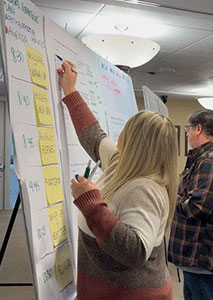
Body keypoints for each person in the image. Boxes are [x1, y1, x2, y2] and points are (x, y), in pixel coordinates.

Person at [58, 61, 178, 299]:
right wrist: (70, 90)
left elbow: (135, 251)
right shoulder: (120, 161)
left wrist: (91, 204)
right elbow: (92, 135)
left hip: (130, 294)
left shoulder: (146, 189)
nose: (120, 132)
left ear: (135, 142)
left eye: (127, 129)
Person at [168, 110, 213, 300]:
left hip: (202, 254)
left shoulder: (210, 161)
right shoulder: (212, 156)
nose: (186, 133)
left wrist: (170, 197)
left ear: (198, 129)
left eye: (188, 129)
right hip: (200, 254)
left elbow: (197, 208)